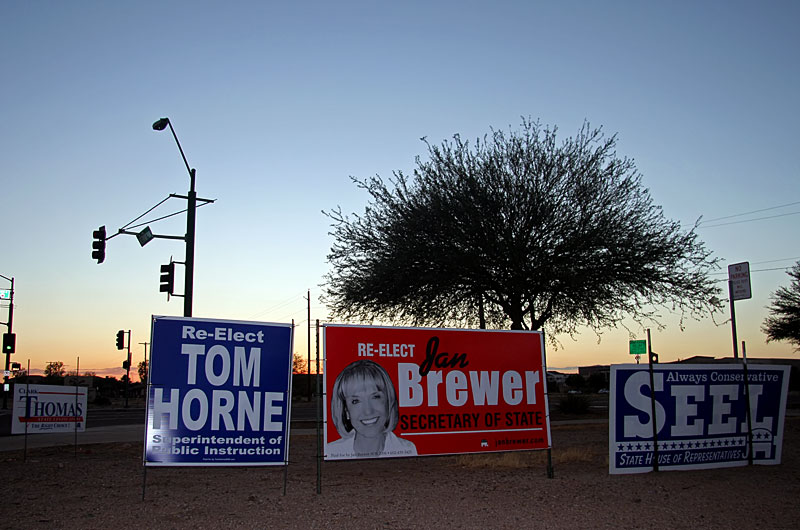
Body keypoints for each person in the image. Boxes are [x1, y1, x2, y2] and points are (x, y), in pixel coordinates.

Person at [327, 359, 417, 459]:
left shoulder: (407, 449)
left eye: (375, 397)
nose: (368, 411)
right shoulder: (332, 451)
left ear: (388, 401)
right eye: (356, 401)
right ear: (346, 411)